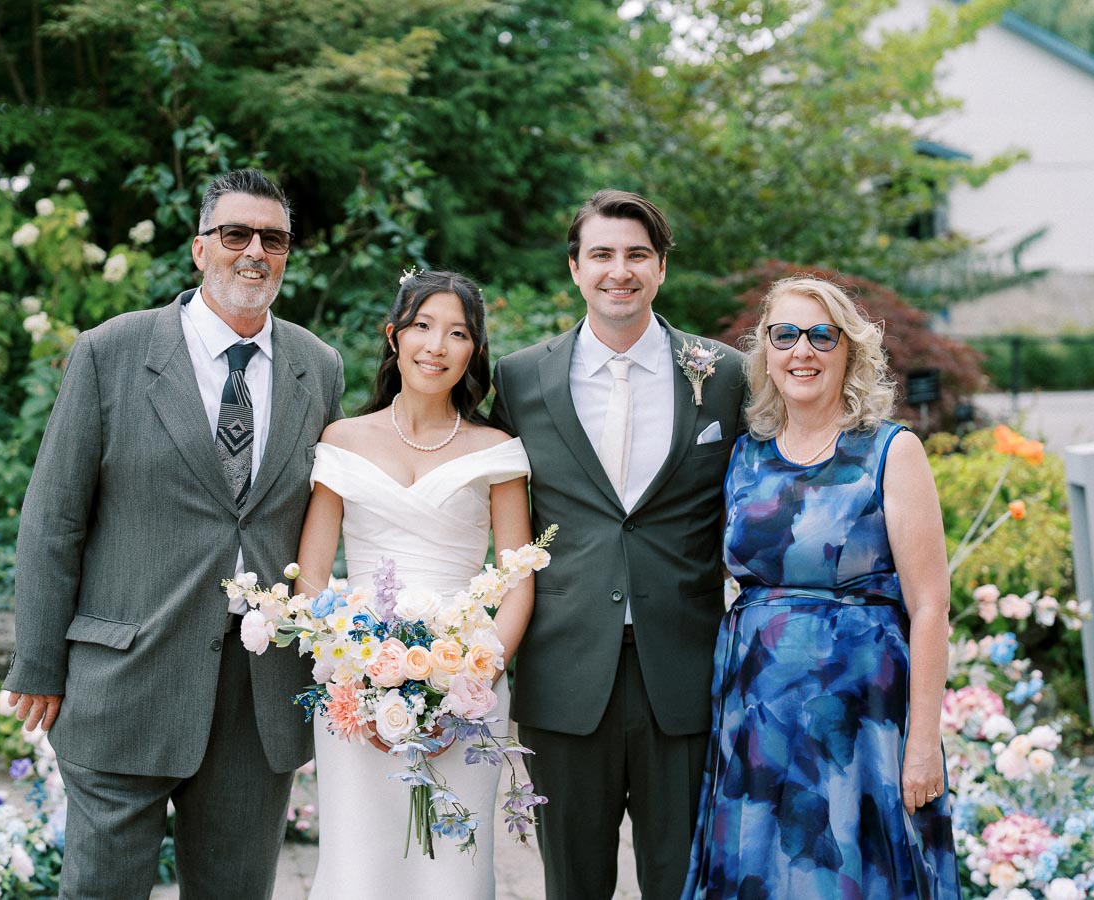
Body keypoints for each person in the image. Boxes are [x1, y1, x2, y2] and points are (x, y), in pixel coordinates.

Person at [2, 168, 345, 899]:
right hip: (126, 676)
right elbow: (54, 517)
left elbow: (324, 518)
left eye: (273, 238)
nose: (254, 251)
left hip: (258, 692)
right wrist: (37, 661)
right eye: (235, 234)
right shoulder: (111, 352)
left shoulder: (319, 368)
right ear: (200, 248)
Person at [488, 189, 747, 898]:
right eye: (601, 254)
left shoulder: (723, 376)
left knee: (685, 882)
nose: (619, 270)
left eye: (637, 255)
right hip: (565, 673)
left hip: (684, 673)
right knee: (572, 884)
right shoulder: (519, 378)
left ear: (661, 268)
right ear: (575, 268)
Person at [680, 276, 961, 898]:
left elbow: (930, 605)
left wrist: (922, 743)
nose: (801, 350)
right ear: (766, 351)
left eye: (820, 336)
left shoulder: (891, 450)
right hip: (756, 714)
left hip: (861, 722)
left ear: (848, 352)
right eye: (785, 335)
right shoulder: (744, 456)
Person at [294, 269, 534, 899]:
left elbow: (518, 579)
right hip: (354, 689)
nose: (436, 345)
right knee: (358, 867)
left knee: (451, 872)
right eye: (423, 326)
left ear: (474, 351)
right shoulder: (342, 441)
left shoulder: (496, 449)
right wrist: (352, 671)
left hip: (467, 687)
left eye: (457, 333)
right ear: (393, 335)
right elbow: (312, 577)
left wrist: (473, 674)